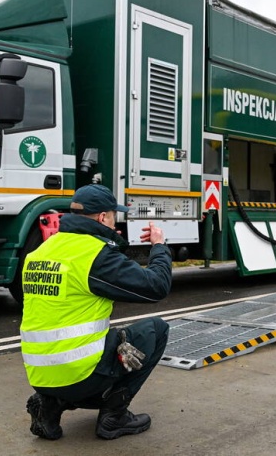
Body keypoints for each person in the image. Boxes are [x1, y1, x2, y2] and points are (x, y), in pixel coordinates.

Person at [20, 183, 172, 441]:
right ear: (103, 217)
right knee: (155, 330)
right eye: (114, 216)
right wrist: (159, 247)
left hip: (40, 374)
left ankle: (50, 405)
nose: (115, 223)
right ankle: (114, 416)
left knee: (106, 335)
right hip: (79, 375)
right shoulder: (94, 255)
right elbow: (155, 287)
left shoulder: (41, 251)